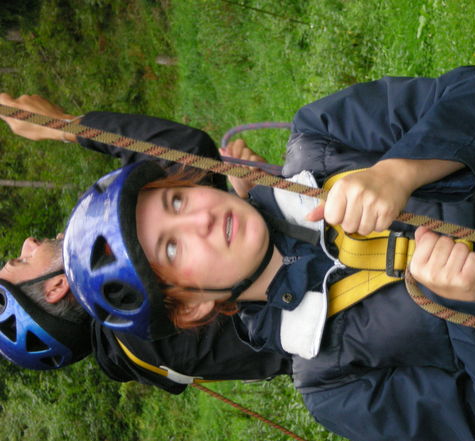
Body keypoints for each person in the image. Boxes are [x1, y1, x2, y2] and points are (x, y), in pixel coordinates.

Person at [63, 63, 475, 440]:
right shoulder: (334, 384)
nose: (199, 218)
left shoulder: (321, 141)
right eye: (171, 248)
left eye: (176, 200)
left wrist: (401, 170)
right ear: (192, 305)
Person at [0, 94, 291, 391]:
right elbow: (185, 152)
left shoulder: (137, 336)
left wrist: (255, 202)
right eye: (22, 261)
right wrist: (61, 127)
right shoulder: (149, 327)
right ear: (55, 287)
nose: (28, 243)